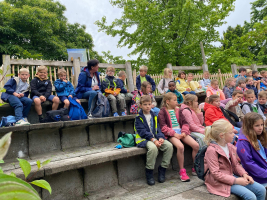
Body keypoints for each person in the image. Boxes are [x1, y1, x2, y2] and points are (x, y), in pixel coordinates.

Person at [204, 119, 266, 199]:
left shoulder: (229, 146)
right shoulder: (211, 150)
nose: (234, 134)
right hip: (219, 181)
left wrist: (244, 174)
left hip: (231, 175)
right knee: (250, 196)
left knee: (261, 190)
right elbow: (215, 174)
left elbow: (236, 164)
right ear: (222, 135)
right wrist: (236, 181)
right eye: (231, 132)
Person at [158, 93, 199, 182]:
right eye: (175, 100)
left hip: (181, 132)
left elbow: (185, 123)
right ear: (168, 101)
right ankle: (182, 171)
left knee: (196, 145)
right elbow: (163, 127)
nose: (177, 102)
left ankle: (195, 167)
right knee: (180, 147)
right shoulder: (162, 112)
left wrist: (184, 132)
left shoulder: (178, 110)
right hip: (171, 134)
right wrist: (174, 134)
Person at [135, 95, 173, 185]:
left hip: (155, 138)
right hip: (144, 139)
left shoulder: (154, 115)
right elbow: (142, 132)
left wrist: (160, 137)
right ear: (140, 105)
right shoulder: (138, 118)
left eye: (149, 104)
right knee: (153, 148)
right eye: (145, 104)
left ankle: (162, 168)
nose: (148, 106)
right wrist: (153, 140)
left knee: (169, 146)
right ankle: (149, 172)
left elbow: (158, 129)